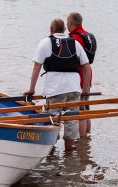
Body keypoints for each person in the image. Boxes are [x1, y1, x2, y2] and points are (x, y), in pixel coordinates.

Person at [24, 18, 91, 150]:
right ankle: (69, 152)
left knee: (51, 121)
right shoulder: (75, 43)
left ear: (51, 29)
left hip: (55, 89)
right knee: (71, 121)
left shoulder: (45, 42)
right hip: (74, 89)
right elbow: (87, 67)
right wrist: (85, 89)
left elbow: (36, 67)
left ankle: (50, 151)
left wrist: (31, 89)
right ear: (64, 30)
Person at [67, 12, 96, 137]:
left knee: (80, 110)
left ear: (70, 23)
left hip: (80, 76)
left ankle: (82, 140)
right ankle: (88, 136)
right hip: (88, 75)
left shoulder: (75, 38)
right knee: (86, 106)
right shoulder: (86, 35)